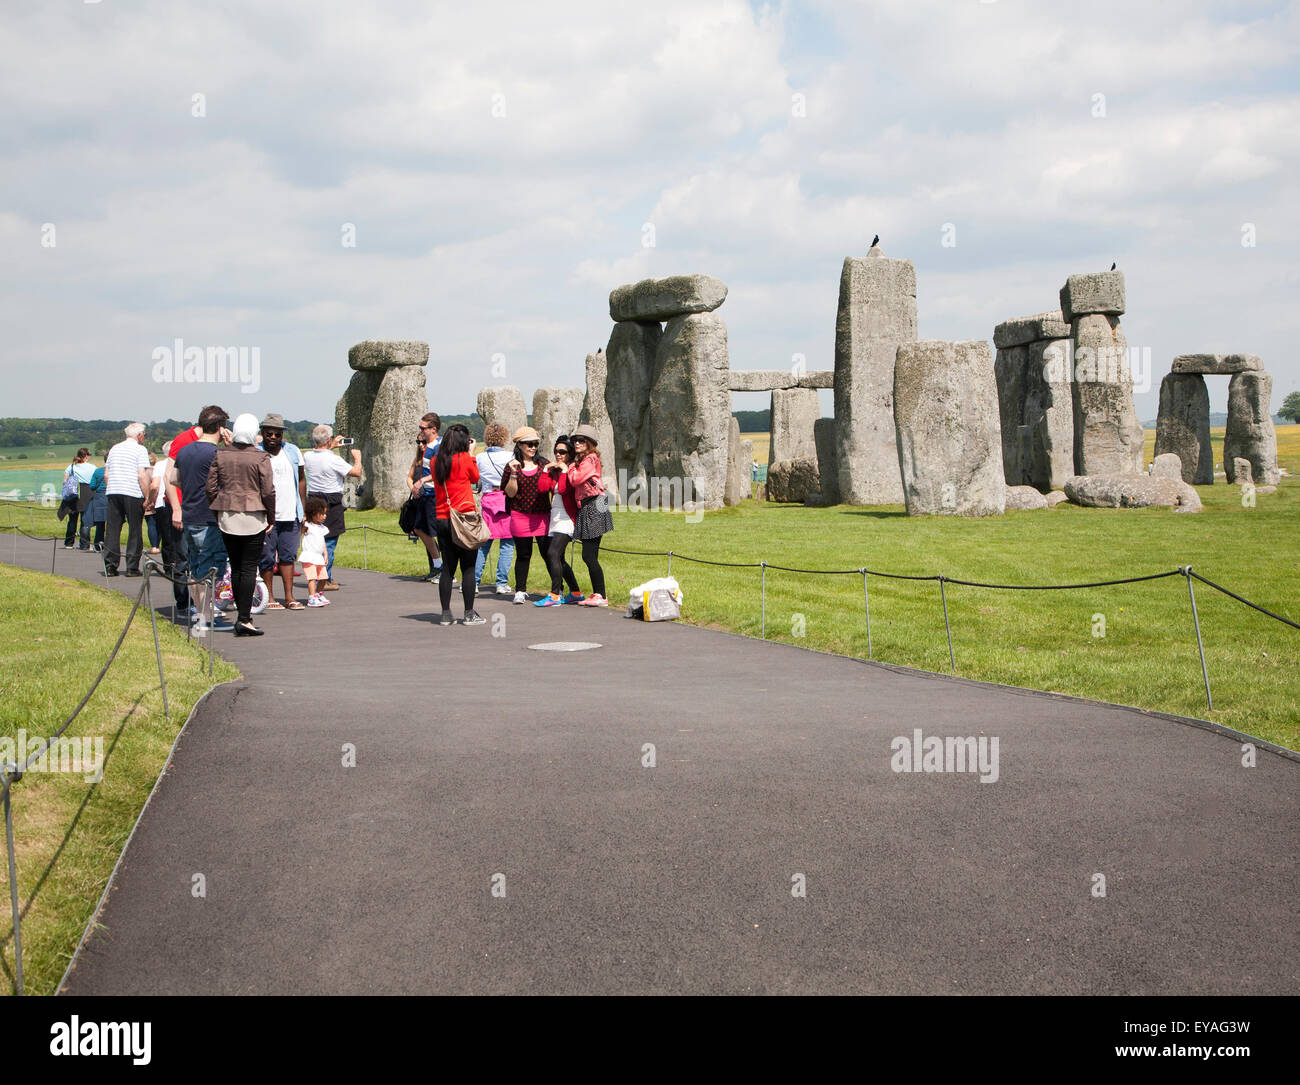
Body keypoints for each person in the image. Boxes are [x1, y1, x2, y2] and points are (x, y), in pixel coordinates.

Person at [206, 413, 274, 636]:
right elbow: (267, 491)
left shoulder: (221, 454)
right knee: (248, 567)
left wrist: (217, 507)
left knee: (236, 567)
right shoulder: (260, 457)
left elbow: (210, 487)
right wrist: (271, 516)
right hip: (254, 515)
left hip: (227, 514)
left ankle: (243, 616)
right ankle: (244, 618)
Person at [171, 406, 232, 634]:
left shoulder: (185, 451)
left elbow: (173, 478)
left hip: (189, 515)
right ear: (220, 427)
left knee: (196, 566)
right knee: (212, 567)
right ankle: (206, 616)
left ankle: (201, 612)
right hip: (209, 518)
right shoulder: (216, 454)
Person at [431, 423, 484, 626]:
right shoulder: (464, 459)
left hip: (443, 517)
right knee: (468, 568)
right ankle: (469, 613)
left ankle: (446, 613)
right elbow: (475, 477)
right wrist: (471, 454)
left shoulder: (437, 461)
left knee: (448, 568)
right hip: (464, 518)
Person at [257, 413, 307, 610]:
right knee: (267, 557)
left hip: (290, 513)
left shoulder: (293, 451)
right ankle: (269, 597)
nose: (273, 438)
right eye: (269, 433)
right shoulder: (256, 452)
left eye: (277, 434)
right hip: (266, 516)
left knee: (288, 556)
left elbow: (301, 479)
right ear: (262, 433)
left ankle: (289, 596)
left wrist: (302, 508)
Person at [303, 424, 361, 590]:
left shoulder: (307, 456)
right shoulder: (333, 459)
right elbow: (356, 472)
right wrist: (358, 458)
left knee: (315, 539)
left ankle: (320, 576)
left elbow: (320, 453)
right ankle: (325, 578)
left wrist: (331, 445)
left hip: (313, 499)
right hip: (331, 502)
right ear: (328, 439)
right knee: (329, 541)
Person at [500, 426, 551, 604]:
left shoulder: (544, 464)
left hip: (542, 514)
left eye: (535, 443)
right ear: (519, 445)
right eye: (529, 444)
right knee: (523, 554)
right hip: (520, 514)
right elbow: (510, 494)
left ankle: (556, 589)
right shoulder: (511, 466)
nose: (533, 447)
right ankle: (520, 590)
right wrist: (513, 474)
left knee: (548, 553)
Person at [534, 434, 585, 606]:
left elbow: (563, 489)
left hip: (567, 518)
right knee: (559, 559)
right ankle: (576, 592)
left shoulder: (571, 470)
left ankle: (555, 595)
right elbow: (542, 488)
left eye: (562, 452)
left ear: (570, 453)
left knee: (552, 553)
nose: (558, 455)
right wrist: (546, 469)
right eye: (556, 451)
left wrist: (564, 469)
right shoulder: (554, 470)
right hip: (554, 517)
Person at [568, 424, 613, 606]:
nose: (577, 443)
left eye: (581, 440)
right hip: (591, 505)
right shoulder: (586, 459)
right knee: (589, 554)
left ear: (589, 443)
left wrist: (569, 465)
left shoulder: (590, 459)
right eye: (575, 440)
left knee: (589, 555)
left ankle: (600, 594)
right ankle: (598, 593)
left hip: (594, 505)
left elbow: (575, 479)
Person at [102, 423, 153, 577]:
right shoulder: (140, 449)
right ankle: (132, 567)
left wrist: (110, 488)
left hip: (114, 490)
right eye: (143, 434)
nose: (144, 437)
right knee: (135, 530)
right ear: (139, 435)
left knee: (112, 529)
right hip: (132, 491)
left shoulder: (115, 448)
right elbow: (141, 475)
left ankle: (110, 565)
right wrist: (147, 497)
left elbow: (106, 474)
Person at [474, 421, 515, 595]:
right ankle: (501, 582)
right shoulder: (510, 456)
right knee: (507, 543)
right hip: (505, 498)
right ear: (504, 438)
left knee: (484, 543)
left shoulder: (481, 457)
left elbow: (478, 480)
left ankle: (474, 581)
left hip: (489, 497)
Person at [406, 413, 444, 582]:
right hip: (425, 493)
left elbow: (441, 471)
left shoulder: (437, 445)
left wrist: (422, 480)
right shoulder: (428, 446)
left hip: (433, 494)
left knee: (433, 531)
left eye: (423, 428)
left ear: (433, 429)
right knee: (420, 529)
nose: (420, 431)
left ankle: (441, 566)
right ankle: (438, 564)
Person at [300, 496, 331, 607]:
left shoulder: (322, 528)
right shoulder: (308, 526)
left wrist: (326, 553)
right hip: (309, 557)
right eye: (322, 514)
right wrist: (303, 523)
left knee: (323, 577)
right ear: (313, 514)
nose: (324, 516)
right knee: (312, 578)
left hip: (319, 557)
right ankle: (312, 597)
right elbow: (300, 532)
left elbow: (322, 542)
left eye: (325, 513)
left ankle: (318, 594)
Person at [61, 449, 95, 548]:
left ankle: (69, 543)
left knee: (72, 520)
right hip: (87, 493)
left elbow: (65, 481)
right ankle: (84, 544)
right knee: (85, 520)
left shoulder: (71, 467)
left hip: (73, 493)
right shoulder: (92, 467)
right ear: (86, 457)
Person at [80, 462, 108, 552]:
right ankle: (110, 545)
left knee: (100, 524)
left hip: (100, 497)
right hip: (112, 497)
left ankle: (97, 545)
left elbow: (92, 486)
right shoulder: (117, 471)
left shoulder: (98, 471)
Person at [143, 451, 163, 553]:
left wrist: (148, 500)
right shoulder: (157, 470)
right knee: (159, 524)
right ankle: (158, 545)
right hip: (159, 499)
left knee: (151, 524)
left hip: (148, 499)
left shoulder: (144, 472)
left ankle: (154, 546)